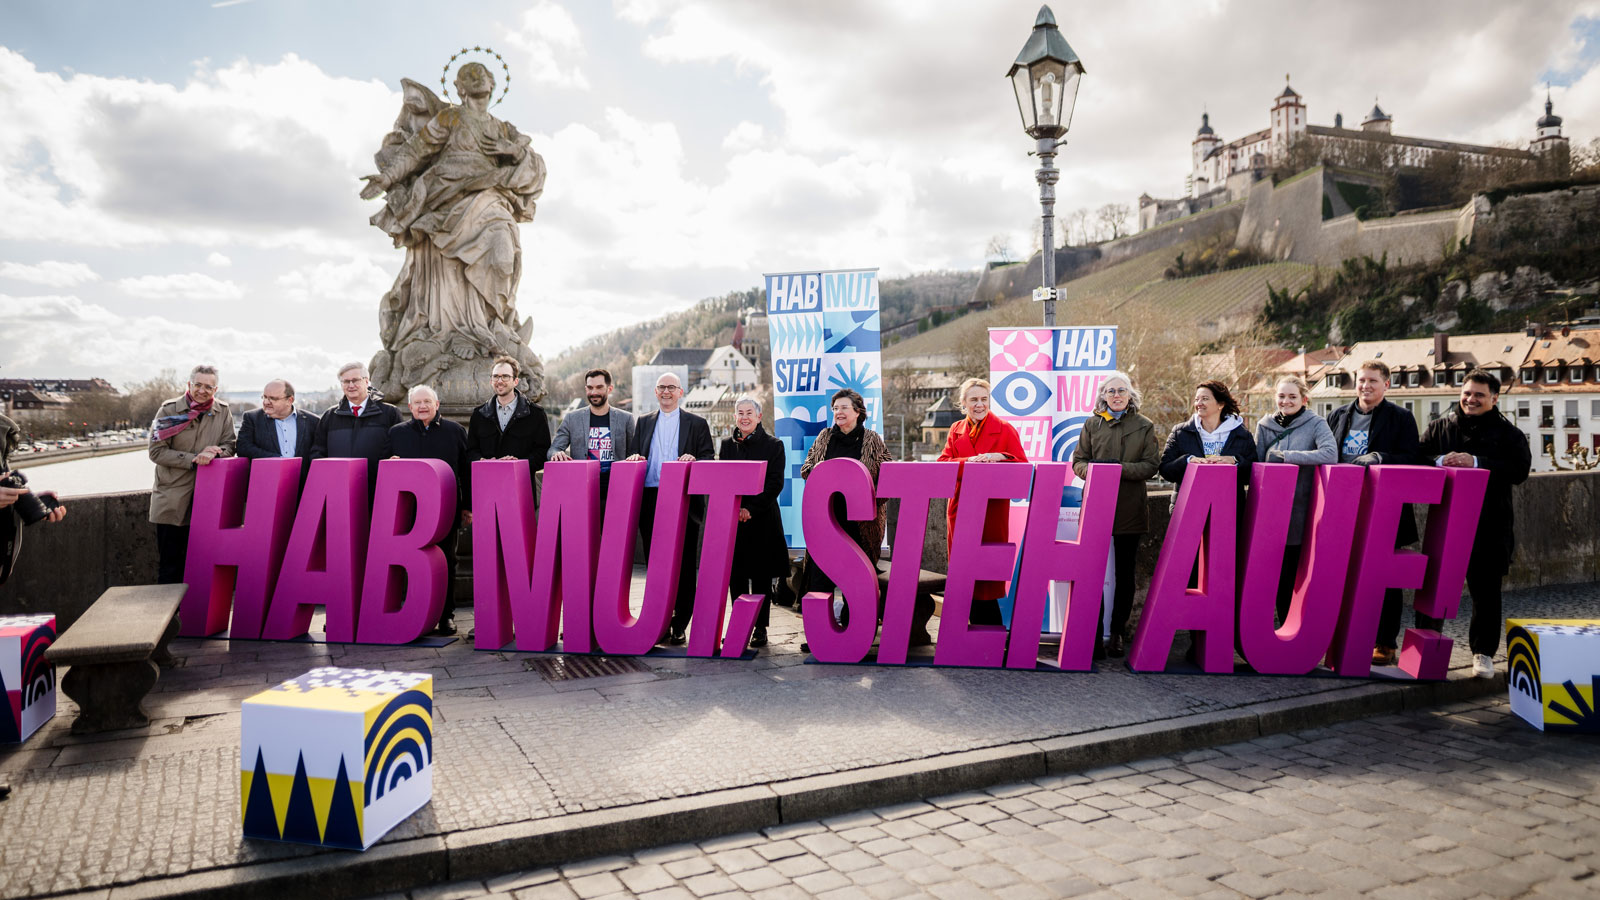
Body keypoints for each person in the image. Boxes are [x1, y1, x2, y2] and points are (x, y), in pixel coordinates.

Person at [362, 63, 547, 393]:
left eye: (483, 79)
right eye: (470, 80)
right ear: (460, 90)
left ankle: (489, 324)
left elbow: (533, 164)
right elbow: (417, 150)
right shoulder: (449, 118)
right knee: (448, 273)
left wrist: (514, 150)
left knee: (504, 256)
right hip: (445, 198)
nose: (478, 84)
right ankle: (452, 332)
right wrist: (387, 178)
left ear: (492, 86)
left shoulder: (504, 128)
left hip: (491, 197)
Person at [1418, 368, 1531, 678]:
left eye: (1479, 395)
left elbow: (1520, 470)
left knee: (1486, 593)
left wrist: (1476, 462)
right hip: (1446, 524)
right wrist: (1441, 461)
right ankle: (1426, 653)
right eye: (1467, 393)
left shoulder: (1510, 434)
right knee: (1433, 589)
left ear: (1494, 399)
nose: (1471, 399)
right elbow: (1416, 457)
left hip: (1491, 525)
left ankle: (1482, 654)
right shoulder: (1440, 427)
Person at [1326, 360, 1420, 667]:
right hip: (1345, 506)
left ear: (1387, 384)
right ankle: (1343, 636)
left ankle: (1385, 643)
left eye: (1373, 381)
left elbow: (1412, 458)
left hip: (1385, 509)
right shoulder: (1337, 415)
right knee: (1342, 575)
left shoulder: (1401, 418)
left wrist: (1380, 457)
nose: (1365, 386)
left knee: (1386, 580)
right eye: (1361, 380)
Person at [1071, 371, 1160, 659]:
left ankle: (1117, 632)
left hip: (1130, 508)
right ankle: (1093, 634)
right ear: (1103, 396)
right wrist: (1096, 473)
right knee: (1091, 572)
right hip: (1096, 507)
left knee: (1125, 573)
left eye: (1122, 390)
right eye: (1111, 391)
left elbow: (1151, 465)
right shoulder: (1092, 424)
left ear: (1130, 395)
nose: (1117, 395)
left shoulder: (1144, 425)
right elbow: (1078, 462)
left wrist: (1118, 470)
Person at [625, 372, 714, 645]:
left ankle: (680, 623)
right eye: (661, 387)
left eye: (671, 387)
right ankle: (659, 621)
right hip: (650, 499)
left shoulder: (697, 423)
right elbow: (634, 454)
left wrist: (694, 459)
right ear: (655, 392)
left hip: (684, 500)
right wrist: (633, 457)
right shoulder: (642, 422)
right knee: (656, 564)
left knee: (686, 563)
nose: (666, 391)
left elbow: (709, 458)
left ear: (681, 392)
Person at [799, 389, 893, 632]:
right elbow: (806, 468)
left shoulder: (872, 439)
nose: (838, 413)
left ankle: (856, 630)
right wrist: (818, 469)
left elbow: (889, 475)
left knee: (857, 579)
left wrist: (870, 502)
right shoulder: (824, 437)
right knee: (819, 576)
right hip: (827, 520)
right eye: (835, 409)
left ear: (858, 412)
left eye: (843, 408)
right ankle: (820, 633)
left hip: (860, 523)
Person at [382, 385, 472, 636]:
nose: (422, 406)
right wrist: (389, 464)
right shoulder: (396, 433)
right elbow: (385, 467)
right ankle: (417, 613)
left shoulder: (455, 431)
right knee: (412, 564)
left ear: (437, 404)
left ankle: (446, 616)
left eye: (427, 402)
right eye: (417, 403)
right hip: (411, 513)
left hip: (446, 510)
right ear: (409, 407)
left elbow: (466, 471)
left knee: (447, 562)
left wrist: (468, 506)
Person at [937, 378, 1028, 627]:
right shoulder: (955, 429)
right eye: (974, 399)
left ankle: (988, 630)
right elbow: (942, 465)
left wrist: (1001, 456)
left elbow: (1022, 467)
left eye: (984, 399)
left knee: (986, 572)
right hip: (960, 508)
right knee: (964, 569)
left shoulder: (1006, 429)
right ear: (964, 403)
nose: (979, 404)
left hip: (992, 510)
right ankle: (975, 631)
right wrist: (973, 462)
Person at [1252, 375, 1337, 625]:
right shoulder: (1264, 425)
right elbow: (1257, 464)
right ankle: (1266, 629)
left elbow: (1330, 453)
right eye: (1281, 396)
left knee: (1293, 573)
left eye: (1292, 396)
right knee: (1269, 574)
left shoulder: (1316, 423)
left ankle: (1292, 628)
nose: (1286, 401)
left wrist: (1287, 456)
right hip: (1269, 511)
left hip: (1301, 511)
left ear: (1304, 399)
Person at [148, 365, 237, 584]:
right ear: (189, 385)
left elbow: (230, 445)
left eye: (208, 386)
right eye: (198, 385)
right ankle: (169, 618)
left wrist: (216, 453)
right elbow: (156, 451)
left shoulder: (222, 411)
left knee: (201, 567)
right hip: (172, 498)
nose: (202, 390)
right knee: (170, 566)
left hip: (206, 500)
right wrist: (194, 459)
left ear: (215, 389)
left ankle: (195, 617)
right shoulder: (169, 410)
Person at [717, 397, 789, 649]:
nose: (744, 417)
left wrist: (751, 509)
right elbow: (722, 480)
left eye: (749, 413)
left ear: (759, 416)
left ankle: (760, 628)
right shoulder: (726, 446)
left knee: (760, 576)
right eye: (740, 413)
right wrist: (736, 509)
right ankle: (739, 624)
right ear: (734, 417)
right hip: (733, 519)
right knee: (735, 576)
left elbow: (775, 484)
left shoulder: (774, 445)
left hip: (763, 519)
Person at [467, 355, 551, 494]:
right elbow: (471, 451)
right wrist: (482, 460)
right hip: (487, 489)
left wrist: (518, 464)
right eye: (496, 377)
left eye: (505, 376)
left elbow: (543, 452)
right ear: (491, 381)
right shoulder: (479, 414)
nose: (500, 381)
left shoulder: (536, 414)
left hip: (521, 490)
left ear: (515, 381)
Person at [312, 362, 403, 490]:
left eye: (355, 380)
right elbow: (317, 451)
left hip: (378, 489)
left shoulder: (390, 413)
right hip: (339, 489)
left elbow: (399, 450)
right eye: (346, 381)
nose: (351, 385)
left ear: (367, 381)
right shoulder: (330, 416)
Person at [550, 368, 634, 503]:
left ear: (609, 388)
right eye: (590, 388)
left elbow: (634, 452)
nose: (594, 392)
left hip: (617, 489)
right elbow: (553, 449)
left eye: (599, 387)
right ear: (586, 389)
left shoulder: (626, 419)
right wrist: (556, 454)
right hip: (581, 488)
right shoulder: (572, 418)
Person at [236, 379, 317, 460]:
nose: (266, 402)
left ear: (290, 400)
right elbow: (243, 448)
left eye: (273, 398)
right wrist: (278, 460)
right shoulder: (252, 419)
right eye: (264, 397)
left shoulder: (313, 421)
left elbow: (318, 452)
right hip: (266, 472)